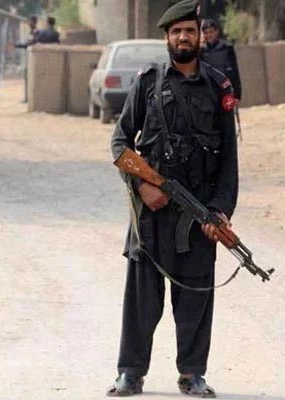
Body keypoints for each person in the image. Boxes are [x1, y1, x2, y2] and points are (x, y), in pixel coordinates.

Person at [107, 1, 238, 397]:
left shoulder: (218, 87)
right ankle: (131, 372)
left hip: (197, 215)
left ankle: (192, 373)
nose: (184, 37)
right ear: (167, 37)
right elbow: (120, 143)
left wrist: (219, 212)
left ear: (200, 37)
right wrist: (142, 187)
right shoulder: (147, 82)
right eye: (177, 32)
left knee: (195, 299)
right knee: (141, 300)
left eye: (190, 31)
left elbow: (228, 161)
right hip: (151, 214)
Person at [200, 19, 242, 102]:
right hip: (209, 93)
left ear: (216, 32)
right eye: (206, 33)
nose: (208, 35)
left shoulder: (226, 48)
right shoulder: (201, 52)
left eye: (211, 32)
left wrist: (237, 95)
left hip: (226, 91)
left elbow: (234, 72)